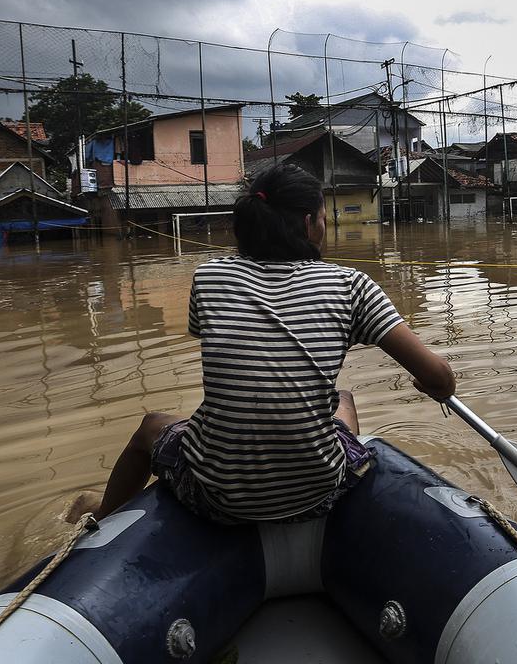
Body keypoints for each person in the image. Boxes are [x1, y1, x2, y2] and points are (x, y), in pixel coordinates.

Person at [95, 165, 455, 523]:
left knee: (151, 425)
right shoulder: (351, 285)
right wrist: (430, 383)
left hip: (217, 497)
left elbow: (231, 348)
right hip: (319, 493)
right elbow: (439, 377)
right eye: (324, 218)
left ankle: (101, 517)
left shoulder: (209, 277)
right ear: (308, 222)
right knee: (342, 399)